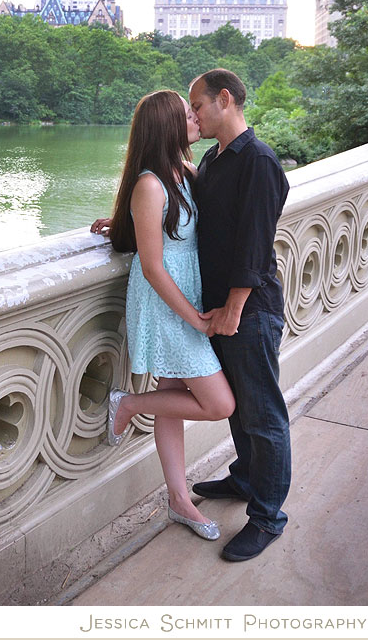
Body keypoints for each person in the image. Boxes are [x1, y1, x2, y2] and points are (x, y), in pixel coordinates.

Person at [90, 90, 235, 541]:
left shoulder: (187, 172)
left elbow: (169, 230)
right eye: (186, 114)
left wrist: (117, 225)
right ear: (166, 126)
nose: (195, 119)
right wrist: (194, 318)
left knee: (174, 395)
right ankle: (128, 403)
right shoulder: (150, 183)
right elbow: (152, 265)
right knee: (220, 403)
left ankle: (178, 500)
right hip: (166, 303)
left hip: (186, 294)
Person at [187, 68, 291, 562]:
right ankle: (246, 479)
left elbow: (255, 241)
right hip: (221, 309)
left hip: (249, 311)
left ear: (224, 99)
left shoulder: (260, 161)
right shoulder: (214, 158)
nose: (194, 116)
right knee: (240, 410)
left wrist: (234, 307)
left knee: (264, 416)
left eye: (199, 107)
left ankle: (268, 517)